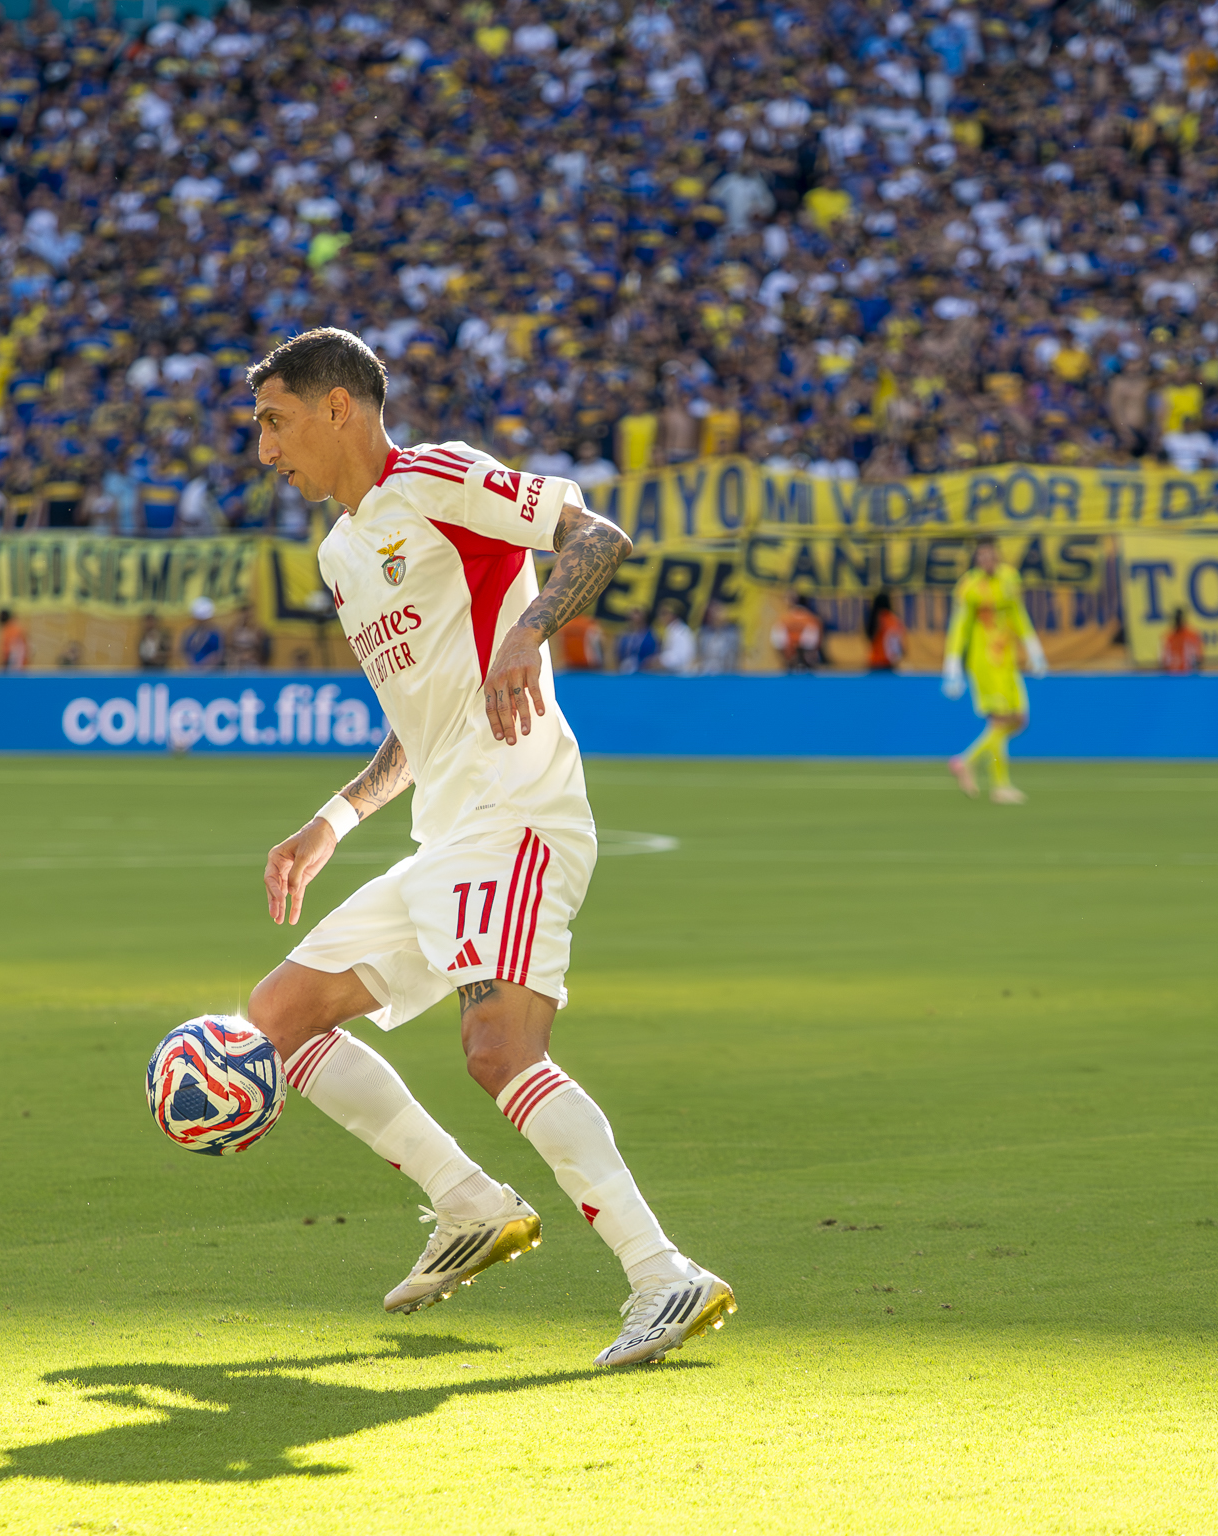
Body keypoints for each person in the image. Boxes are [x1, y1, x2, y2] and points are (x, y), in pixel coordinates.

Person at [243, 327, 733, 1369]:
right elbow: (418, 725)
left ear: (339, 406)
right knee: (275, 1021)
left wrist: (529, 631)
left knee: (499, 1051)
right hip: (447, 834)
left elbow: (595, 537)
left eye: (275, 421)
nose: (266, 450)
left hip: (517, 811)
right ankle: (467, 1202)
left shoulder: (436, 479)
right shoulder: (340, 554)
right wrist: (334, 820)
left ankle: (663, 1274)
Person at [942, 536, 1046, 806]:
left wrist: (1033, 647)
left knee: (1019, 719)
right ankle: (999, 785)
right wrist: (952, 663)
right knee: (1000, 720)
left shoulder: (1010, 579)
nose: (986, 560)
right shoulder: (968, 586)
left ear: (997, 555)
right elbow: (960, 626)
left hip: (1007, 660)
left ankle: (968, 761)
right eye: (981, 556)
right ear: (976, 559)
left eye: (990, 555)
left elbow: (1018, 614)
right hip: (984, 662)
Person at [772, 592, 824, 672]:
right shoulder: (812, 618)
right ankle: (799, 661)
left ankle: (795, 661)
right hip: (799, 648)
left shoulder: (783, 618)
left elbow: (777, 639)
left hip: (794, 648)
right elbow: (818, 640)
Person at [864, 590, 905, 672]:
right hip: (889, 663)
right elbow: (899, 646)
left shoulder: (874, 618)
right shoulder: (893, 620)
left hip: (874, 662)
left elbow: (869, 636)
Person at [178, 596, 224, 669]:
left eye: (204, 619)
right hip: (190, 671)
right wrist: (191, 667)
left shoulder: (216, 633)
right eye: (199, 619)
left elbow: (218, 654)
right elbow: (183, 652)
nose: (201, 622)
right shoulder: (188, 633)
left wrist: (205, 668)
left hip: (211, 671)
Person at [697, 602, 742, 674]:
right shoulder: (704, 633)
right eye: (712, 614)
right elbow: (699, 656)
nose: (715, 617)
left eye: (718, 613)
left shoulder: (732, 634)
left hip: (726, 673)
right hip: (706, 673)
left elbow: (736, 657)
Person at [654, 601, 697, 675]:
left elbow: (681, 657)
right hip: (672, 674)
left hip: (681, 675)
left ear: (673, 615)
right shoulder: (670, 630)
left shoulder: (681, 631)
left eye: (664, 613)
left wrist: (660, 661)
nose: (660, 617)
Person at [614, 608, 658, 674]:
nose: (634, 621)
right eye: (631, 619)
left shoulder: (651, 635)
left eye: (637, 619)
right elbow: (617, 653)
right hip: (624, 668)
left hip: (644, 669)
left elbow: (654, 654)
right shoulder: (623, 634)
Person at [1161, 609, 1204, 674]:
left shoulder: (1192, 636)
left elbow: (1199, 657)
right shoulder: (1168, 637)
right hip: (1172, 674)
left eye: (1179, 620)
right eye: (1176, 620)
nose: (1178, 622)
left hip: (1189, 674)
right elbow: (1164, 660)